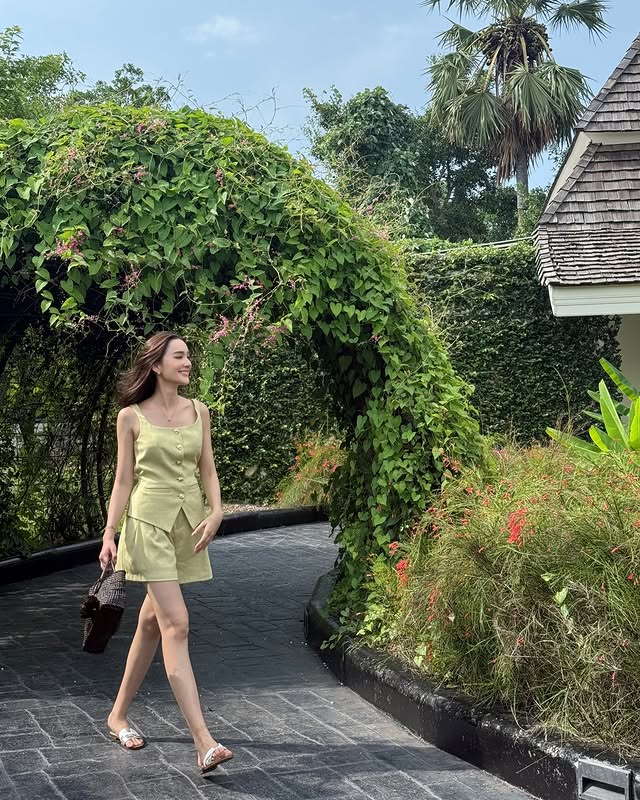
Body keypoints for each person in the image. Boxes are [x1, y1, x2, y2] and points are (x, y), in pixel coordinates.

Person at [99, 331, 233, 776]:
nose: (188, 362)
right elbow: (123, 480)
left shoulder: (200, 411)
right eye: (179, 356)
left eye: (188, 355)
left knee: (151, 622)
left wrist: (217, 511)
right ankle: (204, 742)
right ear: (156, 365)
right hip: (146, 527)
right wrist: (109, 532)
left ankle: (117, 716)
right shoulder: (130, 417)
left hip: (187, 528)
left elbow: (207, 468)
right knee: (176, 622)